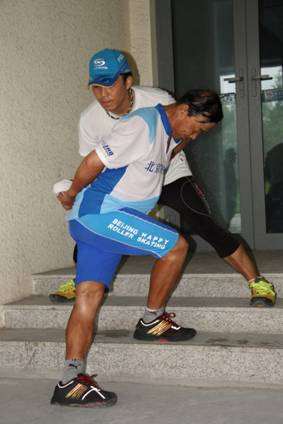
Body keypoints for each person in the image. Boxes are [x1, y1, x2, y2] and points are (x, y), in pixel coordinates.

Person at [50, 48, 276, 308]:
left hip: (169, 174)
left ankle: (256, 280)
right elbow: (93, 164)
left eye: (110, 85)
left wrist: (165, 156)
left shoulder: (156, 99)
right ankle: (81, 278)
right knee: (93, 219)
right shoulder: (89, 119)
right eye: (97, 87)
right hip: (122, 186)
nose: (103, 94)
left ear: (128, 81)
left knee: (203, 222)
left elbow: (182, 133)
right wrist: (74, 194)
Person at [51, 87, 223, 407]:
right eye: (198, 129)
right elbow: (94, 160)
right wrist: (72, 191)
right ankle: (152, 321)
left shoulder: (168, 134)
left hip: (95, 222)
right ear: (184, 110)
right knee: (176, 247)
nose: (197, 137)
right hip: (103, 215)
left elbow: (165, 152)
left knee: (89, 294)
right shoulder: (142, 124)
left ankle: (69, 382)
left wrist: (182, 139)